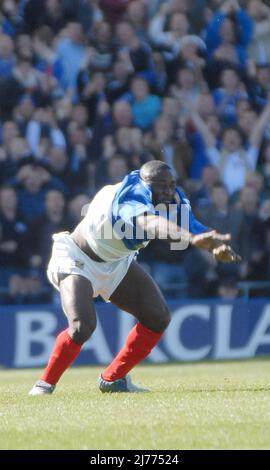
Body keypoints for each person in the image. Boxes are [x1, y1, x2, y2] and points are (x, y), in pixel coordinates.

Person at [29, 160, 239, 395]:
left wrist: (214, 244)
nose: (168, 192)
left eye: (172, 185)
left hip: (117, 262)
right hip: (77, 259)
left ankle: (113, 379)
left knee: (158, 317)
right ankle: (44, 384)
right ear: (145, 183)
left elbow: (189, 224)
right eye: (162, 186)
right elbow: (150, 222)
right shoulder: (130, 196)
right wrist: (188, 238)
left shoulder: (173, 197)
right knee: (81, 326)